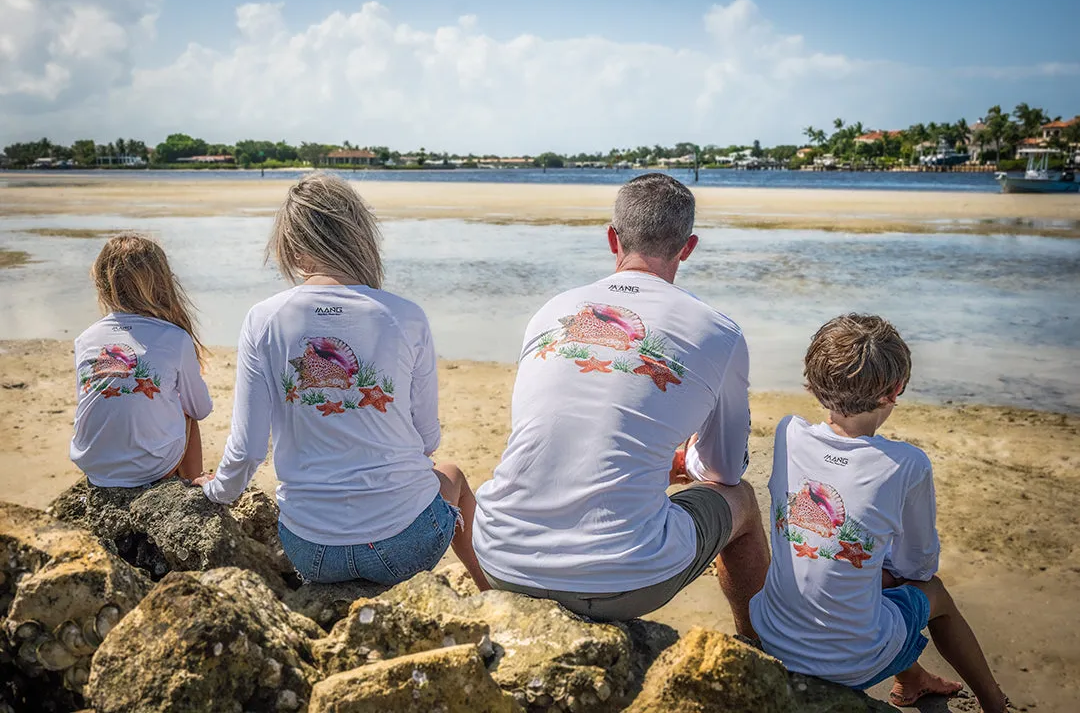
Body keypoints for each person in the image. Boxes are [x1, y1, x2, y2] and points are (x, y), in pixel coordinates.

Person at [471, 173, 769, 629]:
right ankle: (756, 645)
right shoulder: (719, 332)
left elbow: (561, 422)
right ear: (687, 248)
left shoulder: (552, 309)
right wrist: (684, 459)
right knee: (741, 499)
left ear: (612, 237)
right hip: (623, 580)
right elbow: (723, 471)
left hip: (501, 559)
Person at [193, 172, 488, 589]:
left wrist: (215, 493)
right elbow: (426, 439)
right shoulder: (404, 316)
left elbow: (247, 449)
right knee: (452, 472)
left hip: (312, 551)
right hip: (403, 547)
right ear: (358, 236)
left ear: (294, 249)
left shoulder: (264, 319)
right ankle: (489, 591)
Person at [749, 314, 1007, 712]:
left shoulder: (788, 432)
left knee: (858, 569)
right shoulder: (905, 464)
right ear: (895, 391)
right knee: (932, 593)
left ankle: (913, 680)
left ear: (813, 384)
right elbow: (919, 567)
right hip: (851, 663)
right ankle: (992, 701)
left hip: (773, 634)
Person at [71, 235, 212, 486]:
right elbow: (200, 408)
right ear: (162, 282)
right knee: (185, 409)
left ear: (102, 284)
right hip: (150, 469)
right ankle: (193, 483)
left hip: (93, 465)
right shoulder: (175, 338)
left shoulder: (85, 339)